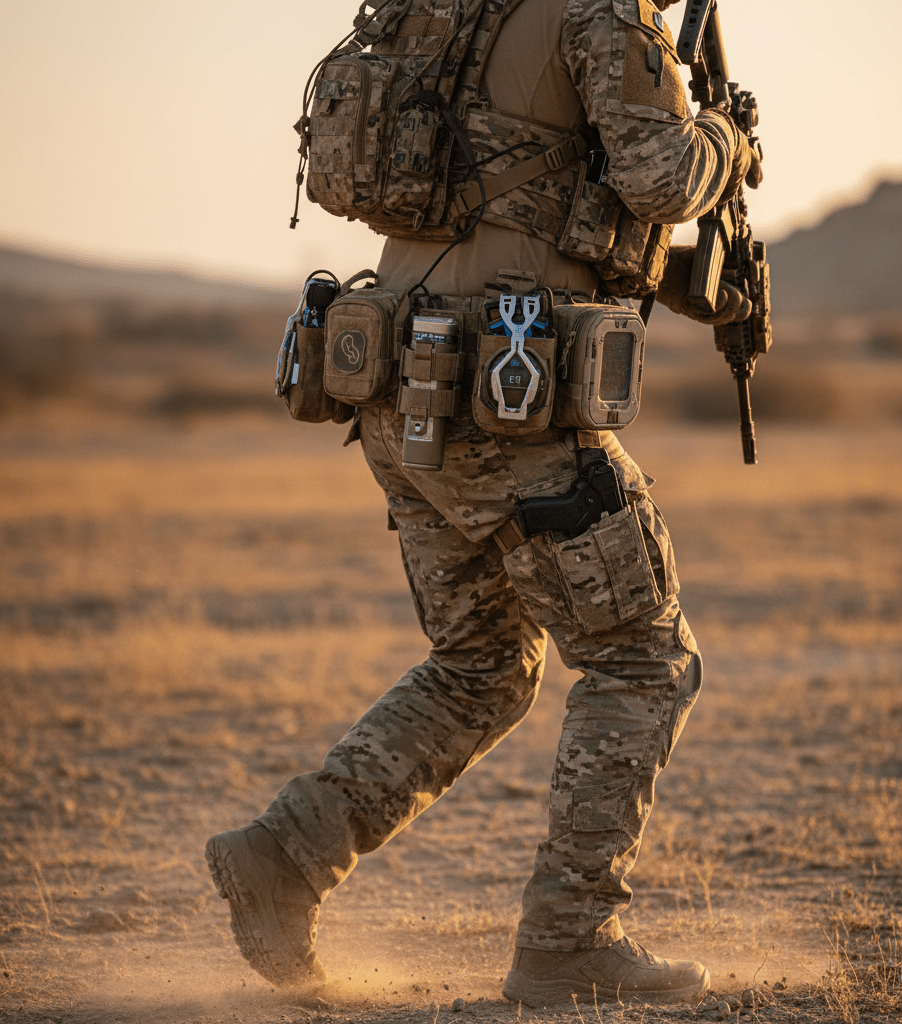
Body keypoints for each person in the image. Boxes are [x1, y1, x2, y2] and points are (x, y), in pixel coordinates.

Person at [205, 0, 760, 1006]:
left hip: (389, 378)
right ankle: (569, 937)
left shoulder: (441, 11)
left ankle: (284, 857)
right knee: (641, 655)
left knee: (482, 666)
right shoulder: (599, 11)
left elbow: (516, 193)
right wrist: (726, 137)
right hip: (512, 392)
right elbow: (661, 174)